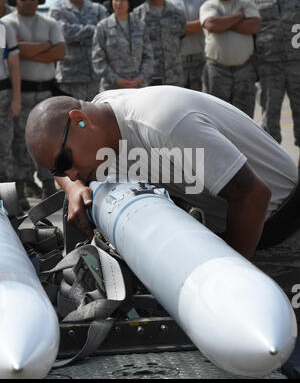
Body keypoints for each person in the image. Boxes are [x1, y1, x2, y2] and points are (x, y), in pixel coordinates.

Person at [25, 86, 298, 261]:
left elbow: (253, 195)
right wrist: (74, 190)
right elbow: (60, 162)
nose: (70, 174)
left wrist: (229, 272)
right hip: (238, 227)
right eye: (59, 169)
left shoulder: (164, 125)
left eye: (65, 161)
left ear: (79, 120)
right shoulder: (101, 119)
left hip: (281, 227)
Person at [2, 0, 65, 206]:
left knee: (48, 140)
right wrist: (44, 47)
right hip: (22, 93)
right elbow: (14, 57)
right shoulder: (7, 24)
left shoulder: (50, 22)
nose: (28, 1)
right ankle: (22, 185)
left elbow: (60, 51)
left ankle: (49, 183)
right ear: (14, 0)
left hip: (47, 91)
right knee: (20, 143)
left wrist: (26, 50)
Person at [251, 0, 300, 161]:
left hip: (298, 64)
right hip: (269, 66)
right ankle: (275, 164)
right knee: (269, 116)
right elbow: (252, 31)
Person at [200, 0, 261, 118]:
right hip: (217, 71)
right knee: (217, 118)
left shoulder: (246, 4)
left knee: (244, 119)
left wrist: (224, 24)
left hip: (244, 70)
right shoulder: (209, 5)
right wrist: (239, 17)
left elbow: (254, 26)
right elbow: (212, 25)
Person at [49, 0, 108, 101]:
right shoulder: (57, 11)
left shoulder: (98, 9)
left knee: (94, 119)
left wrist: (75, 31)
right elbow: (63, 33)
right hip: (69, 79)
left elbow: (104, 33)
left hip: (95, 77)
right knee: (74, 119)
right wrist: (93, 29)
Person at [92, 0, 153, 92]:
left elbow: (148, 57)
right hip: (112, 88)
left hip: (138, 87)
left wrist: (139, 79)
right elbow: (98, 60)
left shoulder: (140, 26)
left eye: (123, 0)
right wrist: (117, 80)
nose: (118, 3)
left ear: (129, 2)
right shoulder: (103, 27)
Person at [134, 0, 185, 86]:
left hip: (174, 78)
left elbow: (181, 37)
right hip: (149, 79)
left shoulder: (177, 14)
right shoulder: (136, 16)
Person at [165, 0, 208, 91]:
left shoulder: (203, 0)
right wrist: (197, 25)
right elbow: (168, 30)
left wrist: (179, 28)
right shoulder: (166, 1)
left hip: (199, 62)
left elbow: (208, 24)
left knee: (199, 105)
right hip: (175, 63)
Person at [0, 20, 21, 192]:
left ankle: (7, 200)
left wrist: (16, 98)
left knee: (5, 148)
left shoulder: (3, 28)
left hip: (2, 95)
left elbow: (13, 65)